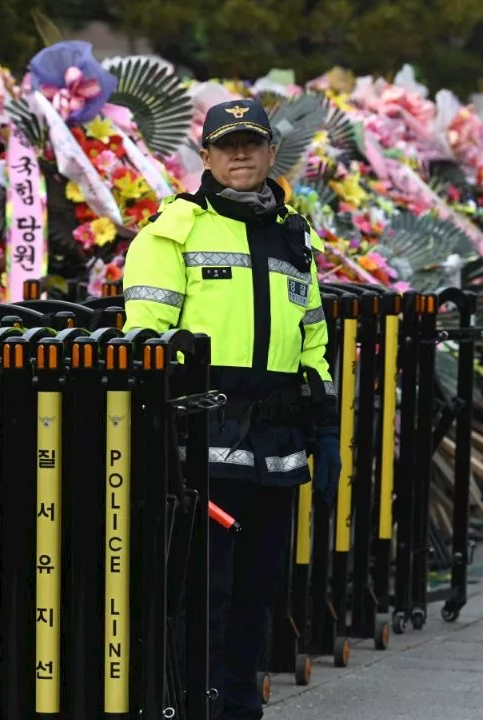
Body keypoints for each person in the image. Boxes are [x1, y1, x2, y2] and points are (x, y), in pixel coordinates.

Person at [121, 98, 341, 719]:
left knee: (257, 598)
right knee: (203, 599)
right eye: (225, 145)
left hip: (276, 452)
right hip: (201, 452)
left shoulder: (296, 234)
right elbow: (146, 346)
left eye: (250, 142)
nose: (239, 154)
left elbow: (314, 344)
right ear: (207, 158)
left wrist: (326, 433)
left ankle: (241, 710)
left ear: (272, 152)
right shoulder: (173, 230)